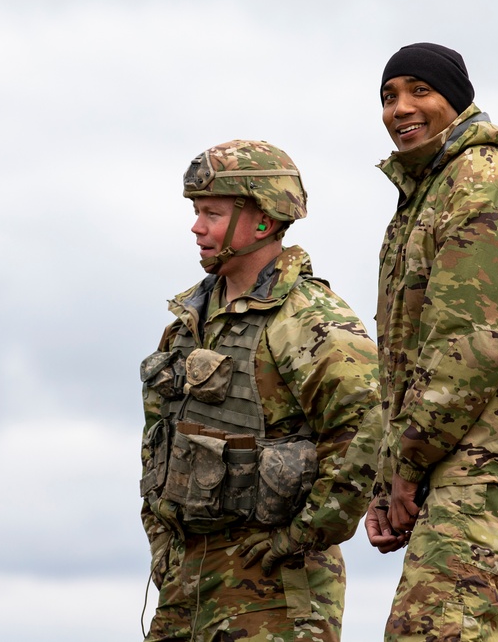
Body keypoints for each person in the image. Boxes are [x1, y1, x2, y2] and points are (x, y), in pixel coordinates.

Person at [364, 42, 498, 641]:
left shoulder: (485, 180)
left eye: (419, 90)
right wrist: (389, 483)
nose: (400, 108)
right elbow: (408, 360)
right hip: (453, 467)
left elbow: (477, 345)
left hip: (493, 474)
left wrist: (407, 462)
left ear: (456, 101)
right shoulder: (428, 193)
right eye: (388, 96)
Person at [139, 139, 381, 642]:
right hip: (185, 584)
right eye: (196, 211)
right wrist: (162, 540)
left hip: (274, 589)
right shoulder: (188, 320)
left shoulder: (310, 319)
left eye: (212, 213)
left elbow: (366, 430)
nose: (196, 227)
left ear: (264, 221)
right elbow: (158, 437)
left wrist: (301, 535)